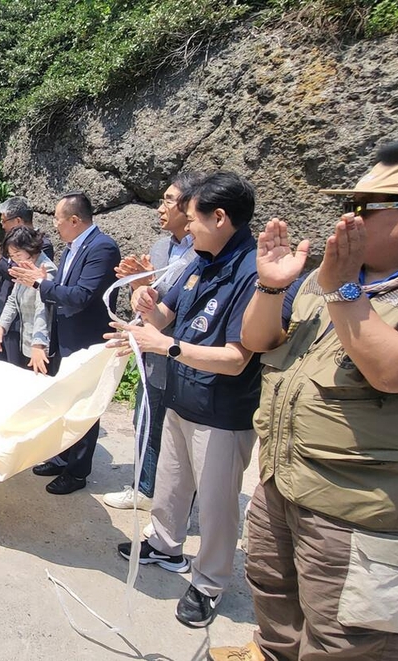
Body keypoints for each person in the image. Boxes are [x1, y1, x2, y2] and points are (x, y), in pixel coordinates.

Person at [210, 153, 398, 661]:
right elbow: (258, 340)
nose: (350, 218)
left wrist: (343, 289)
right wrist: (273, 284)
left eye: (365, 206)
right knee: (274, 590)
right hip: (286, 479)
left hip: (366, 509)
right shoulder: (334, 276)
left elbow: (397, 371)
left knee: (351, 638)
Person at [106, 172, 261, 629]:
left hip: (222, 411)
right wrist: (146, 304)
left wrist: (165, 345)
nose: (185, 228)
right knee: (172, 484)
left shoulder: (253, 273)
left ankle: (209, 581)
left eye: (191, 218)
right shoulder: (198, 258)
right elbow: (167, 314)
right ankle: (165, 545)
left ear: (219, 216)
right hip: (181, 395)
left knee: (215, 503)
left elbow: (236, 358)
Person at [102, 173, 201, 513]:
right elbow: (147, 307)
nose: (160, 209)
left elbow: (179, 311)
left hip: (185, 354)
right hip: (150, 350)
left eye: (169, 201)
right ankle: (147, 489)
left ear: (191, 207)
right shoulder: (160, 248)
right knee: (145, 418)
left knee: (176, 431)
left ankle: (176, 502)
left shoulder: (200, 255)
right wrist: (138, 286)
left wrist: (146, 287)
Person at [10, 191, 120, 494]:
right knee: (65, 403)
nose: (55, 226)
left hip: (87, 341)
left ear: (74, 219)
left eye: (58, 219)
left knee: (85, 407)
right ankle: (62, 456)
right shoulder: (72, 247)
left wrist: (40, 283)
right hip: (66, 339)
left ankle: (78, 471)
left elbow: (82, 296)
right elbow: (60, 289)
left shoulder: (103, 248)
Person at [0, 196, 54, 368]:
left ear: (18, 220)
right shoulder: (15, 244)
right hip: (9, 314)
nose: (2, 225)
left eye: (5, 221)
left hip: (27, 327)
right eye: (11, 256)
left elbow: (43, 304)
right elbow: (4, 280)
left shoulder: (43, 247)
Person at [0, 226, 56, 372]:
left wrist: (38, 344)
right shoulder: (24, 266)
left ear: (29, 248)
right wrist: (2, 326)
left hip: (40, 347)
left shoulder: (46, 268)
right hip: (26, 341)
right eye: (11, 256)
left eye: (17, 254)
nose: (14, 259)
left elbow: (44, 307)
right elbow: (13, 299)